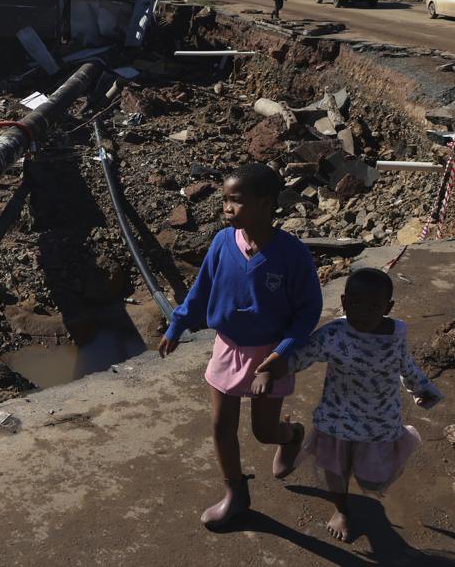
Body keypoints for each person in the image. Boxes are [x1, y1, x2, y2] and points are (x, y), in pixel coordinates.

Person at [159, 162, 323, 529]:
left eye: (237, 201)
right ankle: (236, 492)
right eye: (225, 201)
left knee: (263, 432)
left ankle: (292, 435)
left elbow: (308, 312)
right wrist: (178, 324)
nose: (228, 209)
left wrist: (281, 355)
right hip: (228, 346)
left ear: (266, 203)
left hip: (271, 354)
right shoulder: (221, 243)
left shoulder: (293, 255)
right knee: (221, 426)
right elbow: (201, 291)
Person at [258, 268, 443, 542]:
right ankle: (341, 510)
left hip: (379, 423)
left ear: (388, 307)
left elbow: (406, 366)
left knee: (372, 479)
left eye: (373, 306)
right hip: (337, 419)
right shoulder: (335, 333)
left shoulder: (396, 334)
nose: (364, 312)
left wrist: (423, 389)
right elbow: (303, 356)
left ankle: (296, 440)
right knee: (335, 471)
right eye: (356, 304)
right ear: (344, 302)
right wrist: (270, 371)